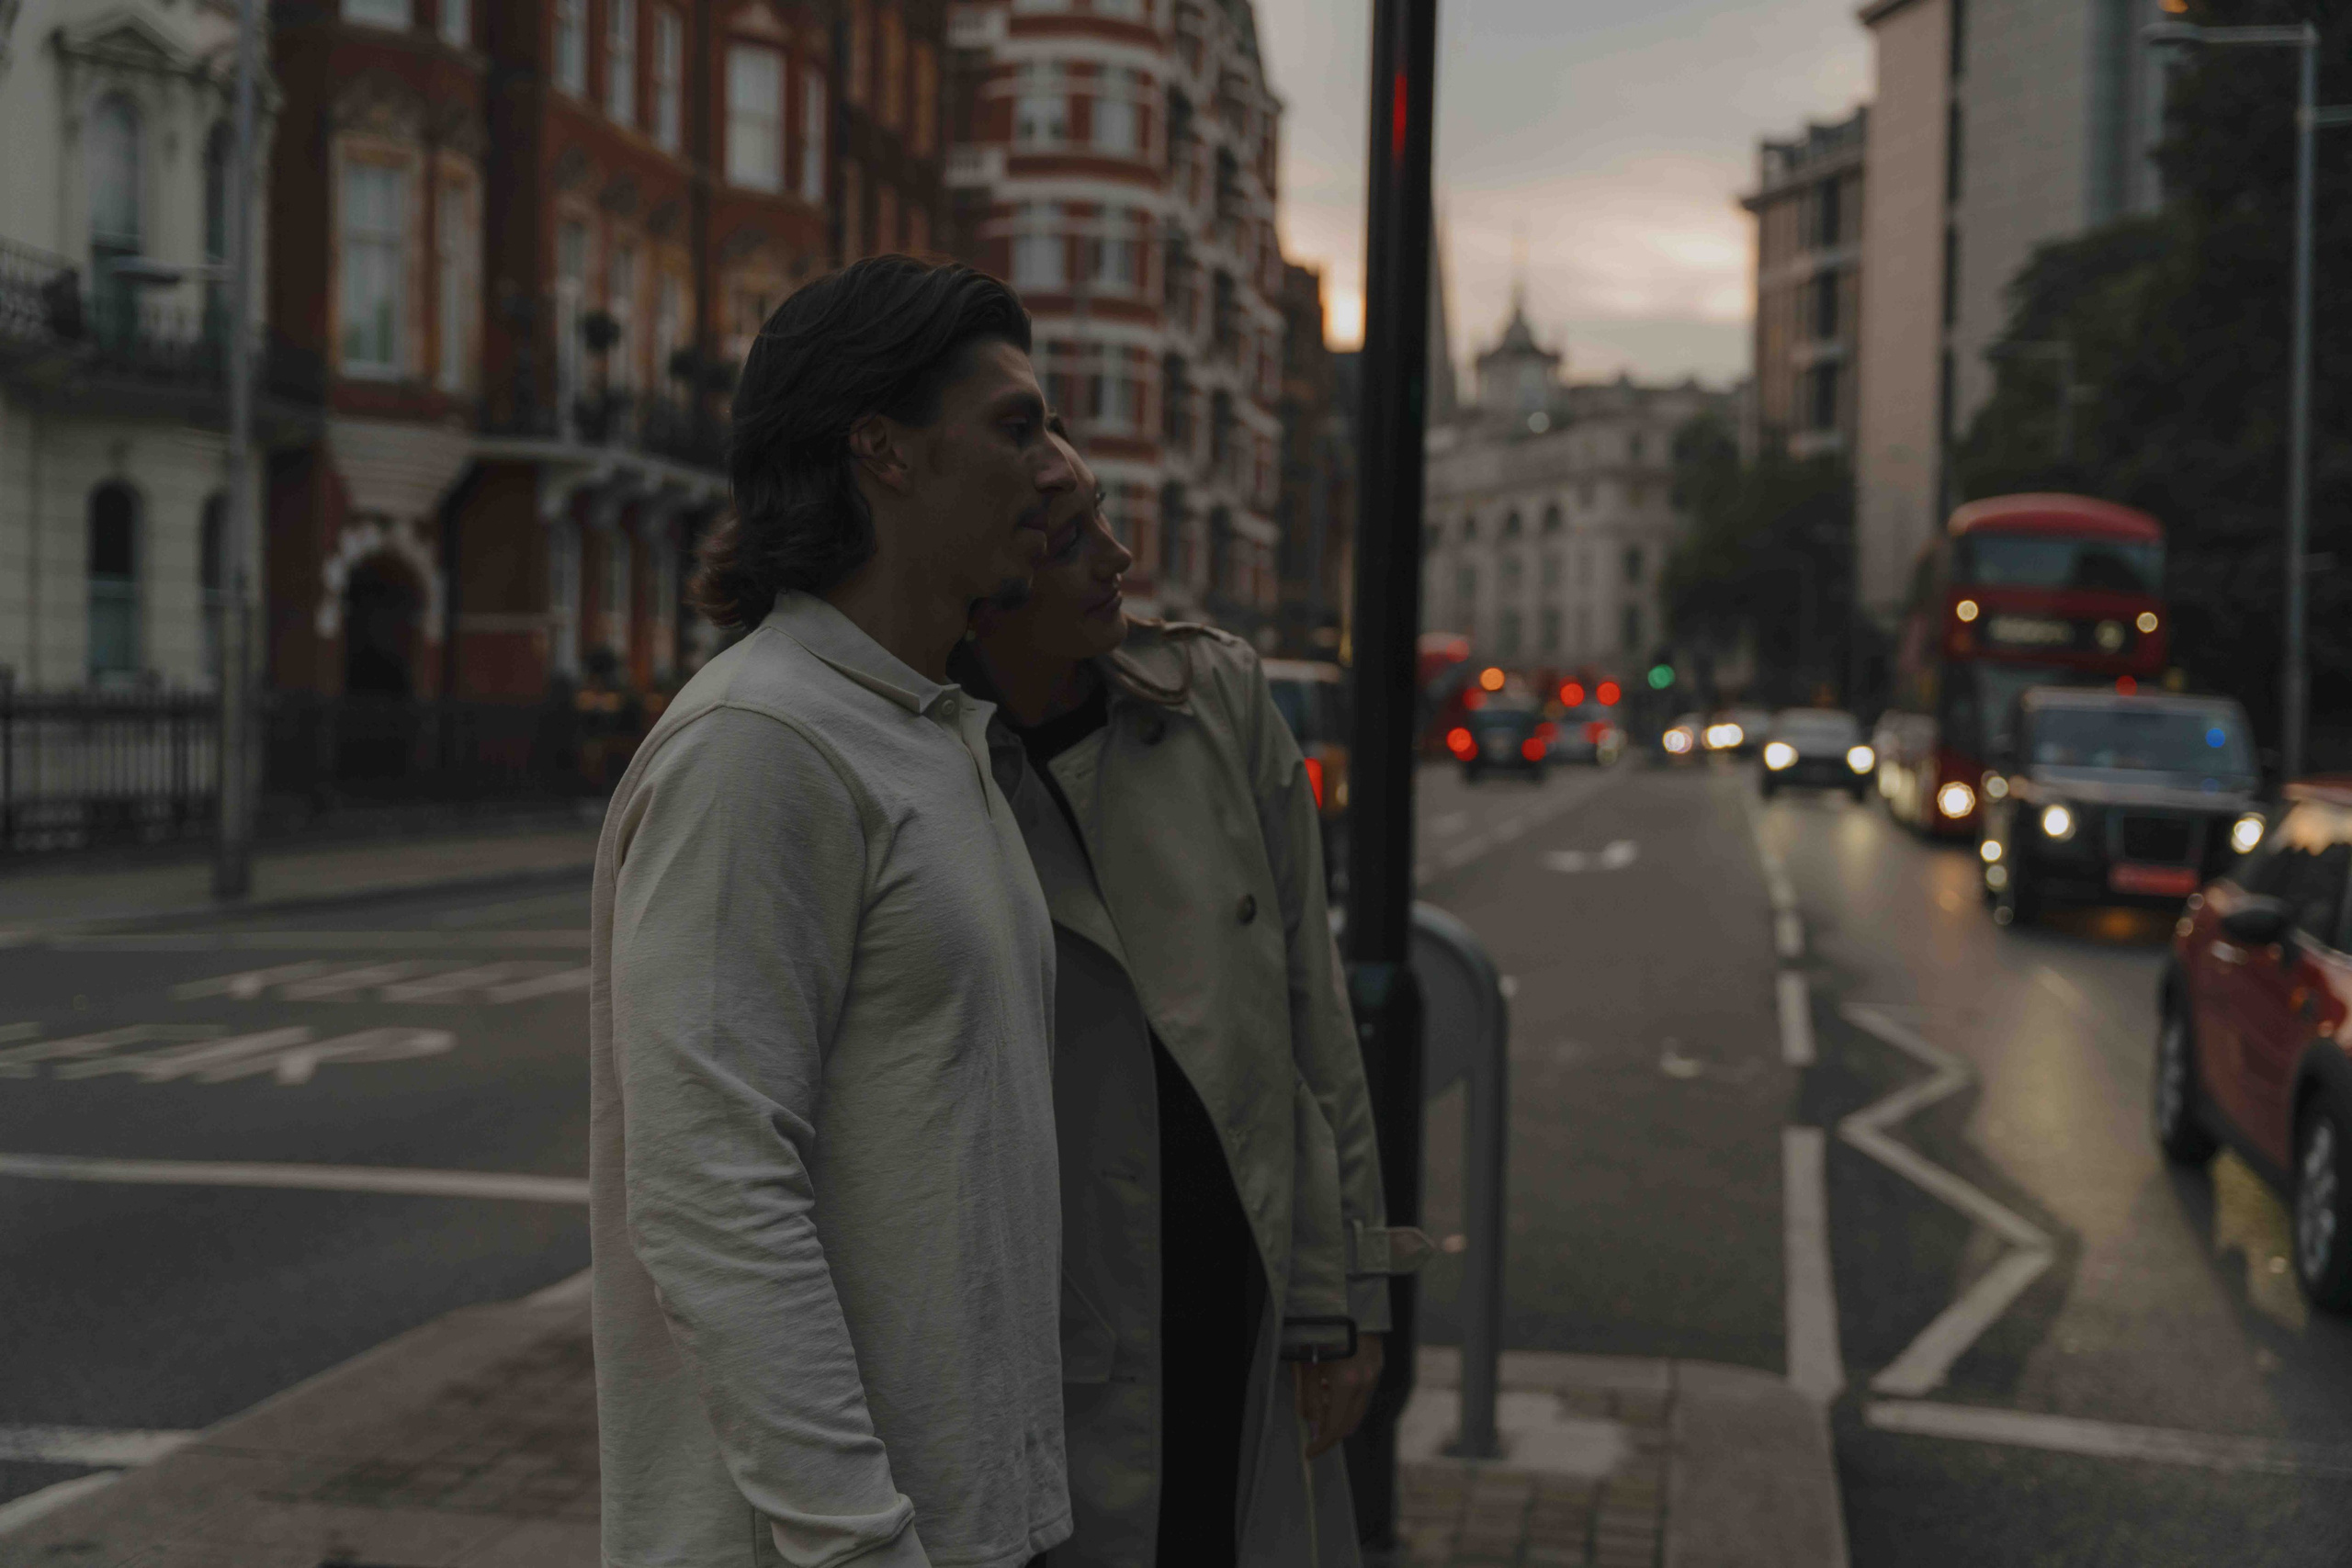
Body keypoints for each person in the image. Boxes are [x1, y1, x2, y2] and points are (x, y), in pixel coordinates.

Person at [587, 256, 1079, 1568]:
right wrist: (858, 1540)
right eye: (1018, 426)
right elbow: (709, 1192)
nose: (1056, 470)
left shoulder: (926, 730)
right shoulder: (762, 740)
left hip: (971, 1521)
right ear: (885, 450)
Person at [954, 431, 1405, 1567]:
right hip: (1058, 1345)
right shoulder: (922, 762)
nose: (1118, 557)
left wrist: (1345, 1295)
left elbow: (1312, 1023)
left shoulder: (1218, 699)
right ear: (980, 577)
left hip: (1241, 1305)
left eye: (1105, 516)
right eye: (1070, 540)